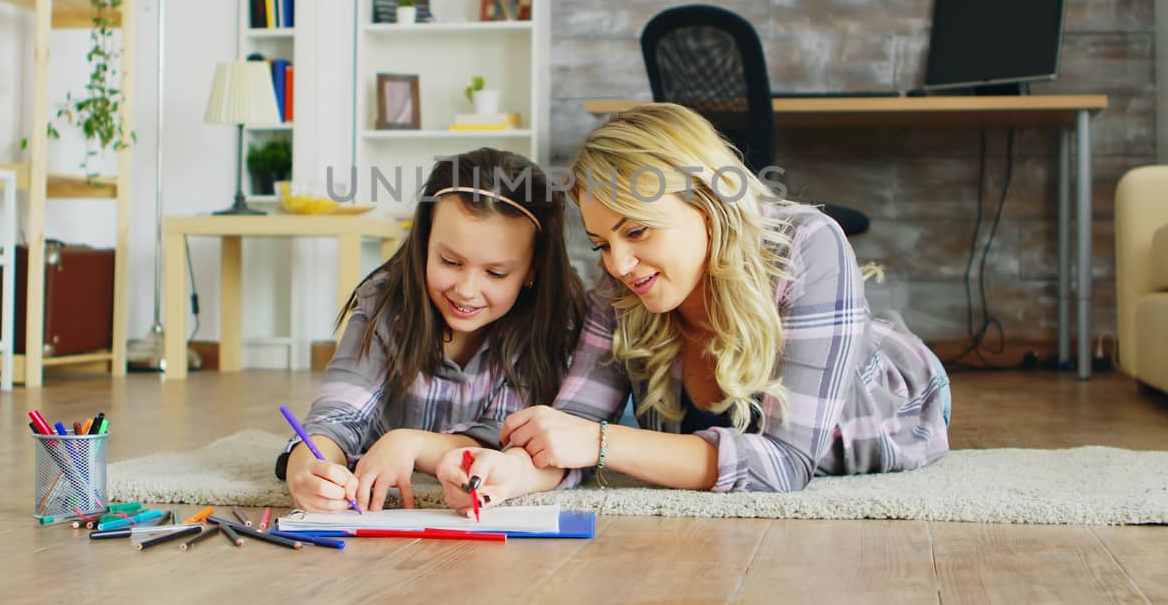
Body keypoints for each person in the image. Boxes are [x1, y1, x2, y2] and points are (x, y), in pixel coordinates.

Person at [435, 103, 950, 511]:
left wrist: (599, 441)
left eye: (637, 230)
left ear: (707, 203)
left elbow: (784, 464)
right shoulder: (623, 278)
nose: (618, 263)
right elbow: (574, 423)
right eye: (601, 243)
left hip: (895, 393)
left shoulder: (809, 243)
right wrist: (507, 474)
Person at [276, 147, 586, 513]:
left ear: (532, 269)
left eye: (496, 273)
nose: (467, 290)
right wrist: (311, 470)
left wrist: (410, 444)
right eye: (449, 261)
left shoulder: (554, 322)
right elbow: (335, 418)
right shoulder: (385, 304)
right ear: (423, 243)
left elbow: (505, 444)